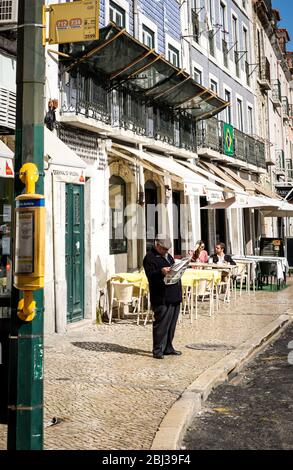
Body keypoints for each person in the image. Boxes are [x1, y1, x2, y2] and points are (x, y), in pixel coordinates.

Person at [143, 234, 182, 359]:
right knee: (161, 324)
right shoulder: (149, 258)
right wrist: (161, 272)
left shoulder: (169, 256)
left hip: (174, 295)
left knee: (171, 324)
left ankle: (168, 347)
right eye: (164, 248)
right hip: (161, 296)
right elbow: (150, 276)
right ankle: (158, 350)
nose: (166, 251)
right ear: (157, 245)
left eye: (167, 249)